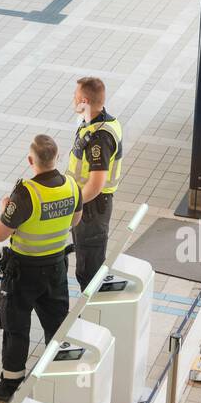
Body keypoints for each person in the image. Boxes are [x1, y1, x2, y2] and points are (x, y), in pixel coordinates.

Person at [0, 134, 83, 402]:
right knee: (57, 323)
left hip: (23, 271)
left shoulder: (26, 193)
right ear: (57, 157)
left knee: (17, 326)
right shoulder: (72, 186)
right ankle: (58, 376)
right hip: (56, 268)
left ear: (31, 160)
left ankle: (10, 385)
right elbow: (76, 219)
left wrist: (4, 209)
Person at [67, 76, 124, 290]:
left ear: (84, 101)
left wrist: (75, 205)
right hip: (93, 206)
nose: (73, 99)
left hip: (92, 208)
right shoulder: (102, 122)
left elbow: (96, 183)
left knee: (89, 270)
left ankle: (90, 318)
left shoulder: (99, 137)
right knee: (87, 263)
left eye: (75, 96)